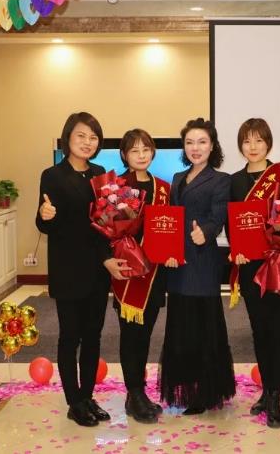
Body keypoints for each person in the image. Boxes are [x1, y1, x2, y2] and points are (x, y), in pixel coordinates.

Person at [36, 112, 112, 427]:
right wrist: (45, 214)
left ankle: (88, 396)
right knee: (70, 337)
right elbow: (43, 223)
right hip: (68, 269)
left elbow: (107, 221)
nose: (87, 142)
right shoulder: (53, 175)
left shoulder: (100, 174)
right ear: (68, 137)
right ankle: (74, 402)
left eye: (93, 137)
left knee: (93, 336)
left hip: (98, 269)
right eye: (81, 135)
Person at [159, 118, 236, 414]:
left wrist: (206, 231)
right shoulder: (178, 177)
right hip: (177, 262)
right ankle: (186, 388)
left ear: (212, 146)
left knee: (204, 327)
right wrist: (166, 247)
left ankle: (205, 393)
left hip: (203, 261)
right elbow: (171, 218)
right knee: (181, 326)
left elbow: (219, 217)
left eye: (202, 142)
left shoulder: (221, 180)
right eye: (190, 142)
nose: (196, 148)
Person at [228, 118, 280, 428]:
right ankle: (267, 391)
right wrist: (236, 248)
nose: (253, 147)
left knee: (278, 331)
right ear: (240, 145)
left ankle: (276, 396)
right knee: (259, 330)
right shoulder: (234, 181)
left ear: (268, 143)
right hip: (250, 266)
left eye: (258, 140)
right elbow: (232, 224)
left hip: (278, 264)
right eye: (247, 141)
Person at [103, 129, 170, 424]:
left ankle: (138, 393)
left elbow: (168, 228)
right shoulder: (115, 187)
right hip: (128, 272)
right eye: (134, 150)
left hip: (154, 274)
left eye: (146, 149)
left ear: (153, 152)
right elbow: (104, 229)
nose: (141, 155)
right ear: (124, 155)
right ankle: (134, 392)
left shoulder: (164, 188)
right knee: (130, 335)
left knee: (145, 335)